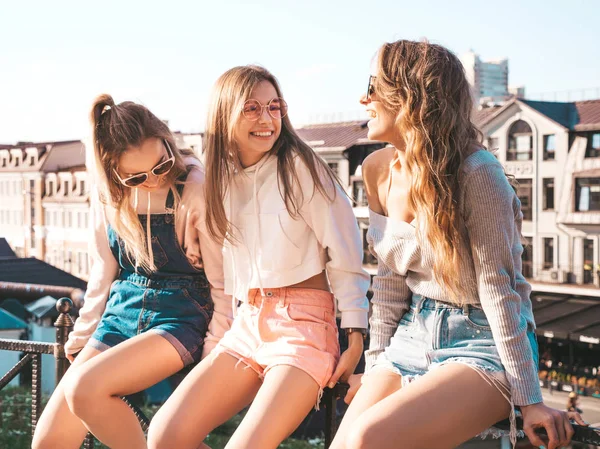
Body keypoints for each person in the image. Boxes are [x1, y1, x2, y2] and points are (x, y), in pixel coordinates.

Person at [329, 39, 587, 449]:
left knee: (366, 439)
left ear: (410, 96)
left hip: (481, 342)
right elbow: (391, 283)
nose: (365, 98)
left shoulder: (478, 173)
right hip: (411, 334)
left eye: (375, 86)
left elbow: (499, 289)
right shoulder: (377, 169)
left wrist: (530, 398)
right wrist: (376, 367)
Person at [147, 65, 370, 449]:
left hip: (304, 326)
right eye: (251, 108)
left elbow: (346, 252)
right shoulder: (219, 177)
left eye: (273, 107)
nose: (266, 119)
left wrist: (355, 334)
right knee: (164, 436)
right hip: (247, 322)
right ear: (225, 115)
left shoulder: (302, 167)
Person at [32, 94, 229, 449]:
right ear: (114, 174)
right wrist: (85, 329)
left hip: (181, 312)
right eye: (137, 177)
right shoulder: (109, 195)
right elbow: (104, 268)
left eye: (161, 165)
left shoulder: (194, 186)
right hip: (122, 308)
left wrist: (213, 350)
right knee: (48, 441)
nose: (153, 181)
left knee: (86, 390)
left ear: (168, 143)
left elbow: (221, 281)